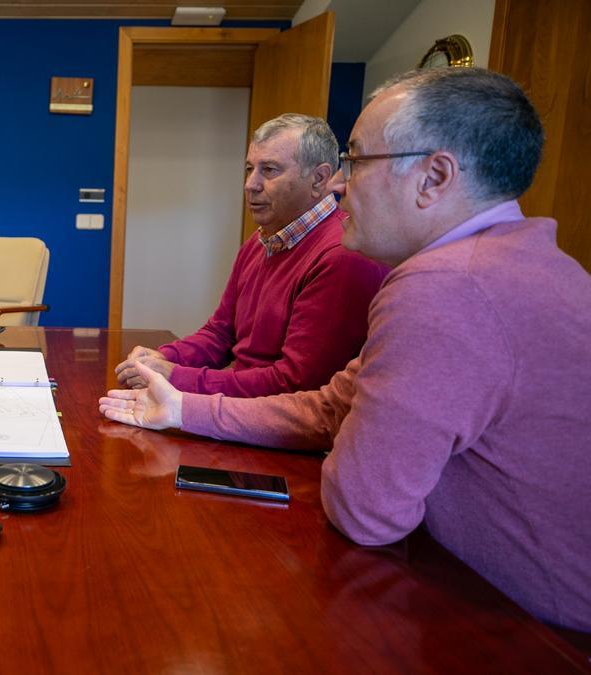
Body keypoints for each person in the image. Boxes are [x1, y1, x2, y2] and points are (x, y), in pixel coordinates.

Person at [100, 68, 591, 632]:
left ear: (433, 177)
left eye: (356, 162)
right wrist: (182, 408)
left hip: (530, 633)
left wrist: (343, 444)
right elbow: (332, 405)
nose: (338, 186)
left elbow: (364, 510)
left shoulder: (445, 288)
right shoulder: (522, 262)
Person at [115, 114, 388, 398]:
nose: (250, 184)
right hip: (242, 412)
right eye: (249, 168)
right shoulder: (260, 242)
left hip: (277, 428)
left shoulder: (342, 255)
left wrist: (175, 376)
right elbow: (220, 333)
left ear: (319, 179)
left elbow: (296, 386)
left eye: (269, 170)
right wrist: (162, 358)